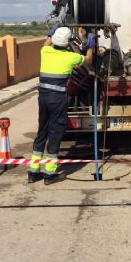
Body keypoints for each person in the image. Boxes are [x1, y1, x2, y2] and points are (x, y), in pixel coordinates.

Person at [28, 26, 94, 185]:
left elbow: (46, 43)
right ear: (67, 43)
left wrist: (50, 33)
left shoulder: (45, 52)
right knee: (55, 132)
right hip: (57, 100)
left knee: (42, 131)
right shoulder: (70, 57)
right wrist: (90, 46)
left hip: (43, 98)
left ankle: (33, 172)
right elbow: (88, 60)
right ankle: (50, 174)